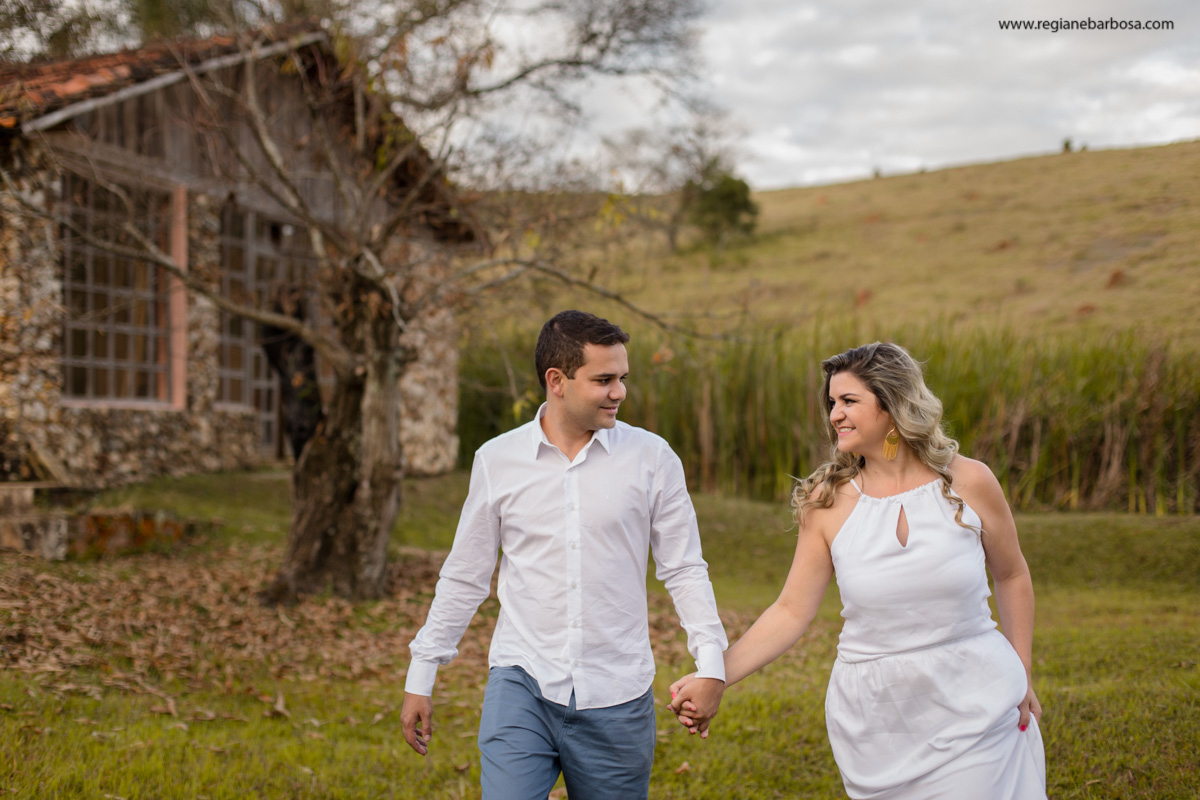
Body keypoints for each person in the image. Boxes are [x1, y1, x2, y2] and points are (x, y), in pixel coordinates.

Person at [669, 341, 1047, 799]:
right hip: (878, 720)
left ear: (891, 405)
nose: (834, 415)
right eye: (832, 403)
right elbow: (790, 611)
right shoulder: (828, 502)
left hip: (978, 699)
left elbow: (1011, 575)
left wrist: (1021, 671)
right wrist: (716, 674)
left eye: (849, 401)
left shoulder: (970, 481)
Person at [401, 310, 728, 799]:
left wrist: (710, 665)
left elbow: (683, 568)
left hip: (618, 693)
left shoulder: (653, 458)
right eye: (603, 380)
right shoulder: (497, 461)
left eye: (622, 378)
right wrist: (421, 674)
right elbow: (466, 575)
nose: (619, 391)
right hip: (522, 684)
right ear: (557, 380)